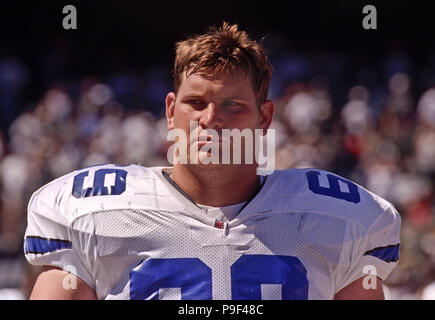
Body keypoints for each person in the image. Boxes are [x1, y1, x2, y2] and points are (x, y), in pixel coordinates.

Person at [24, 22, 401, 300]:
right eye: (196, 103)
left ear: (264, 117)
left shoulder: (339, 220)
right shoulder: (94, 211)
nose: (210, 119)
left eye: (232, 105)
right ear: (172, 111)